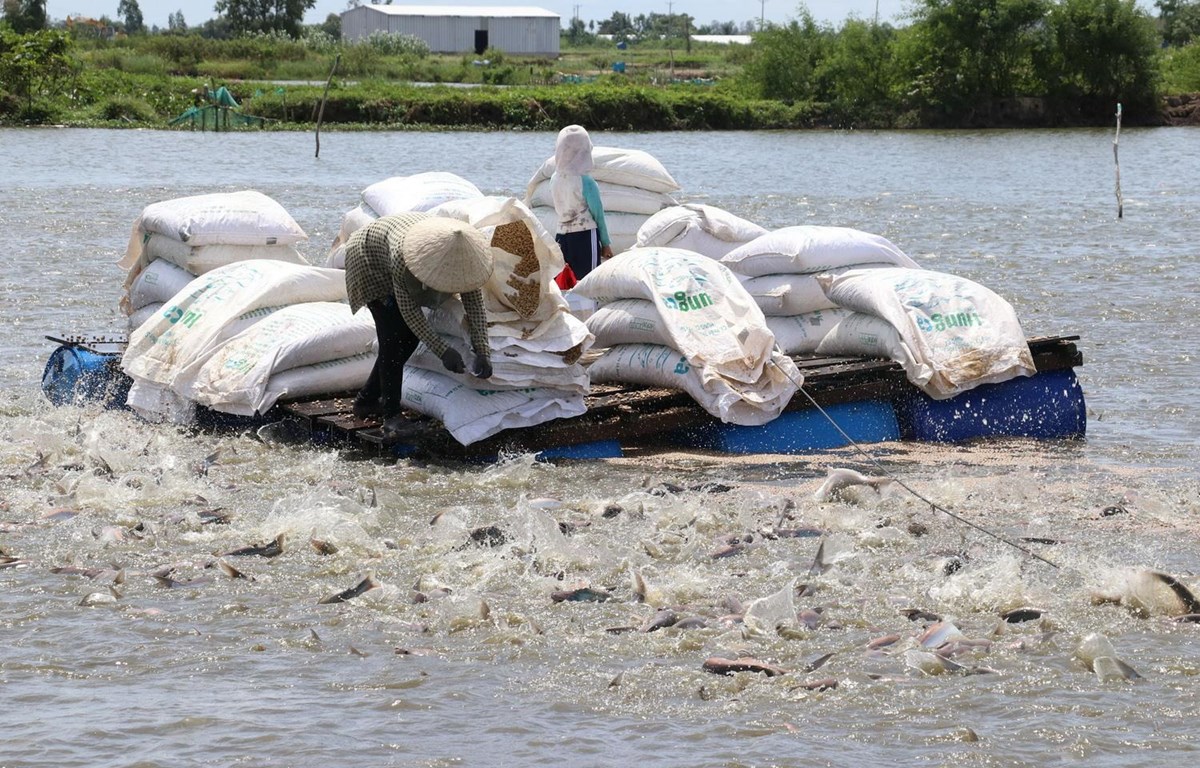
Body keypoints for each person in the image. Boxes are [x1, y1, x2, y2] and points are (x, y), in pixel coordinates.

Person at [343, 212, 494, 435]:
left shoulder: (466, 261)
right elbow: (410, 312)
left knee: (410, 339)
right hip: (368, 261)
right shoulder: (404, 258)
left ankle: (366, 399)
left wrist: (483, 350)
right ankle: (391, 416)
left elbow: (474, 306)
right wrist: (443, 352)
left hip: (393, 243)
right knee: (392, 338)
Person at [550, 124, 613, 286]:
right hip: (585, 236)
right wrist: (605, 243)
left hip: (561, 236)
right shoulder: (586, 181)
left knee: (563, 283)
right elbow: (598, 214)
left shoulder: (554, 179)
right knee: (588, 283)